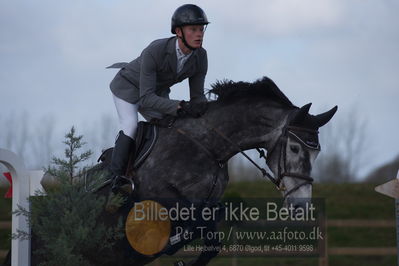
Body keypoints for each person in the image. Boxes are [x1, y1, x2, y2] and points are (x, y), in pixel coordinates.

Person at [107, 4, 210, 193]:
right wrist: (179, 106)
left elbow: (197, 97)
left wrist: (208, 112)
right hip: (128, 87)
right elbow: (145, 99)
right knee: (130, 125)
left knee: (173, 127)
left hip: (155, 92)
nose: (199, 34)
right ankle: (116, 178)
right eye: (193, 29)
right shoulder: (156, 50)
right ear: (178, 32)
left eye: (201, 29)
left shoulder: (200, 57)